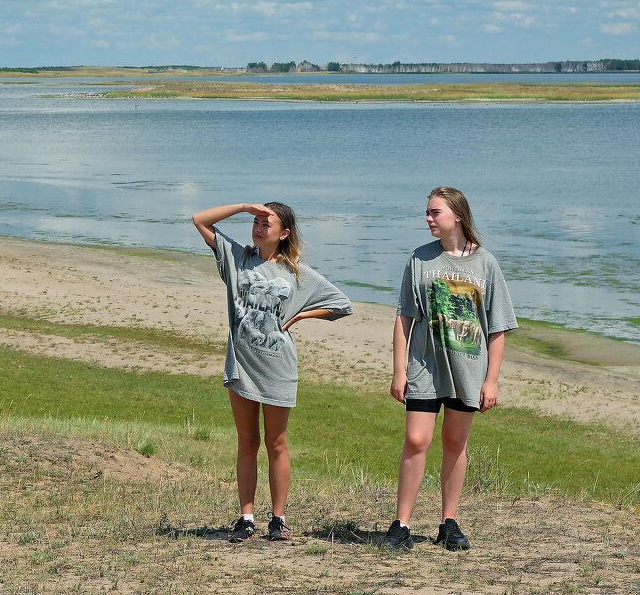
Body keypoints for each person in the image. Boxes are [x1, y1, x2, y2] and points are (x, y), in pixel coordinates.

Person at [192, 202, 353, 543]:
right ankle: (246, 517)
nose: (258, 227)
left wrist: (300, 316)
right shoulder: (237, 259)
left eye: (267, 223)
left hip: (278, 368)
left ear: (284, 233)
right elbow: (199, 220)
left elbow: (342, 304)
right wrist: (241, 207)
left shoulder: (297, 273)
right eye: (255, 221)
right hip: (241, 367)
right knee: (247, 442)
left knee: (276, 442)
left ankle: (278, 520)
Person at [382, 186, 517, 551]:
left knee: (455, 443)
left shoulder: (485, 262)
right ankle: (401, 524)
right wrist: (399, 370)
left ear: (456, 216)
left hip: (468, 369)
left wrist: (491, 381)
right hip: (425, 366)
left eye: (434, 213)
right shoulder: (420, 259)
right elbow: (404, 317)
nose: (428, 219)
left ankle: (449, 523)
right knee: (416, 441)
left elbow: (497, 327)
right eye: (427, 212)